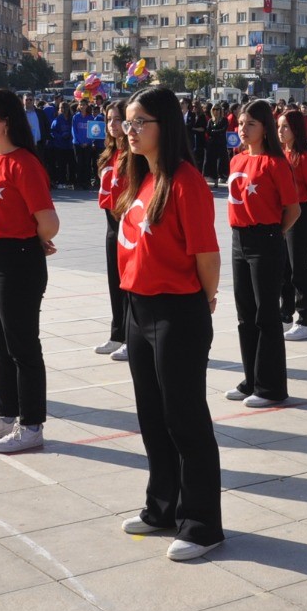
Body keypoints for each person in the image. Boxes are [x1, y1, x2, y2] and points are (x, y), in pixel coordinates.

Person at [112, 87, 225, 561]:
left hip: (177, 311)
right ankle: (162, 507)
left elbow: (206, 255)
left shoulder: (185, 182)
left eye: (140, 123)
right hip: (139, 308)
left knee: (184, 419)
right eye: (127, 122)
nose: (129, 130)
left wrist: (206, 298)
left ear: (166, 127)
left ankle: (202, 524)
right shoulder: (139, 177)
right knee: (152, 416)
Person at [0, 88, 60, 454]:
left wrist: (34, 239)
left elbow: (49, 222)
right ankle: (6, 414)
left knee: (22, 345)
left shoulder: (24, 163)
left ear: (7, 121)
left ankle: (32, 424)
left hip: (16, 258)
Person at [224, 100, 300, 408]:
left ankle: (271, 387)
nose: (243, 129)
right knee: (245, 315)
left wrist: (274, 234)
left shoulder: (275, 163)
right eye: (241, 123)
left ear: (264, 128)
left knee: (265, 315)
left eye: (250, 124)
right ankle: (251, 379)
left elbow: (293, 209)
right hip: (238, 240)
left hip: (265, 239)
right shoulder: (236, 160)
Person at [278, 109, 307, 341]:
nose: (280, 131)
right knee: (284, 269)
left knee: (300, 270)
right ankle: (285, 315)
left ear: (295, 129)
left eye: (285, 127)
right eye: (278, 127)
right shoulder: (279, 156)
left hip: (301, 213)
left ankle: (304, 321)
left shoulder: (303, 159)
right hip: (283, 214)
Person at [94, 100, 130, 359]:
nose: (113, 125)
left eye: (118, 119)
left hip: (129, 225)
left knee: (130, 286)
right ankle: (117, 334)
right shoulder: (109, 152)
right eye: (109, 120)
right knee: (114, 283)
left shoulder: (135, 154)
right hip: (110, 225)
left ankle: (132, 336)